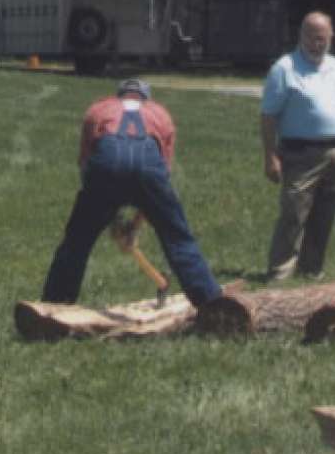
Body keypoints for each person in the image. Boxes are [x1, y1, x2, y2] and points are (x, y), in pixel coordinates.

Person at [41, 78, 222, 307]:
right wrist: (135, 224)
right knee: (178, 238)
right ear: (146, 98)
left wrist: (111, 219)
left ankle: (55, 304)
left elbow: (86, 168)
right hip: (149, 168)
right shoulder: (161, 114)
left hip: (106, 164)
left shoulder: (98, 110)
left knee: (77, 241)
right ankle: (212, 305)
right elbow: (161, 177)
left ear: (119, 96)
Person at [260, 11, 335, 279]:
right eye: (313, 38)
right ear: (301, 36)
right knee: (294, 214)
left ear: (331, 37)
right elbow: (268, 116)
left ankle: (311, 269)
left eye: (323, 39)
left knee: (325, 214)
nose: (318, 44)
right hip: (299, 152)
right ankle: (280, 273)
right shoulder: (284, 69)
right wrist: (270, 157)